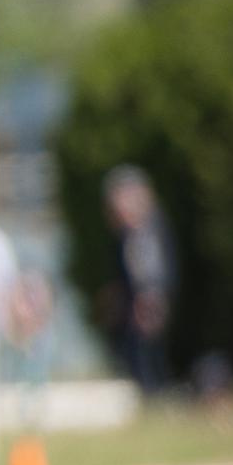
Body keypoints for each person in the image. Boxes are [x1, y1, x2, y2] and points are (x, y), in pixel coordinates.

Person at [101, 165, 175, 397]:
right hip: (139, 297)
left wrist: (149, 296)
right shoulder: (129, 233)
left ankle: (154, 394)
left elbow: (152, 268)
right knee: (137, 348)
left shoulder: (148, 229)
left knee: (147, 349)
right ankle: (148, 393)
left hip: (149, 296)